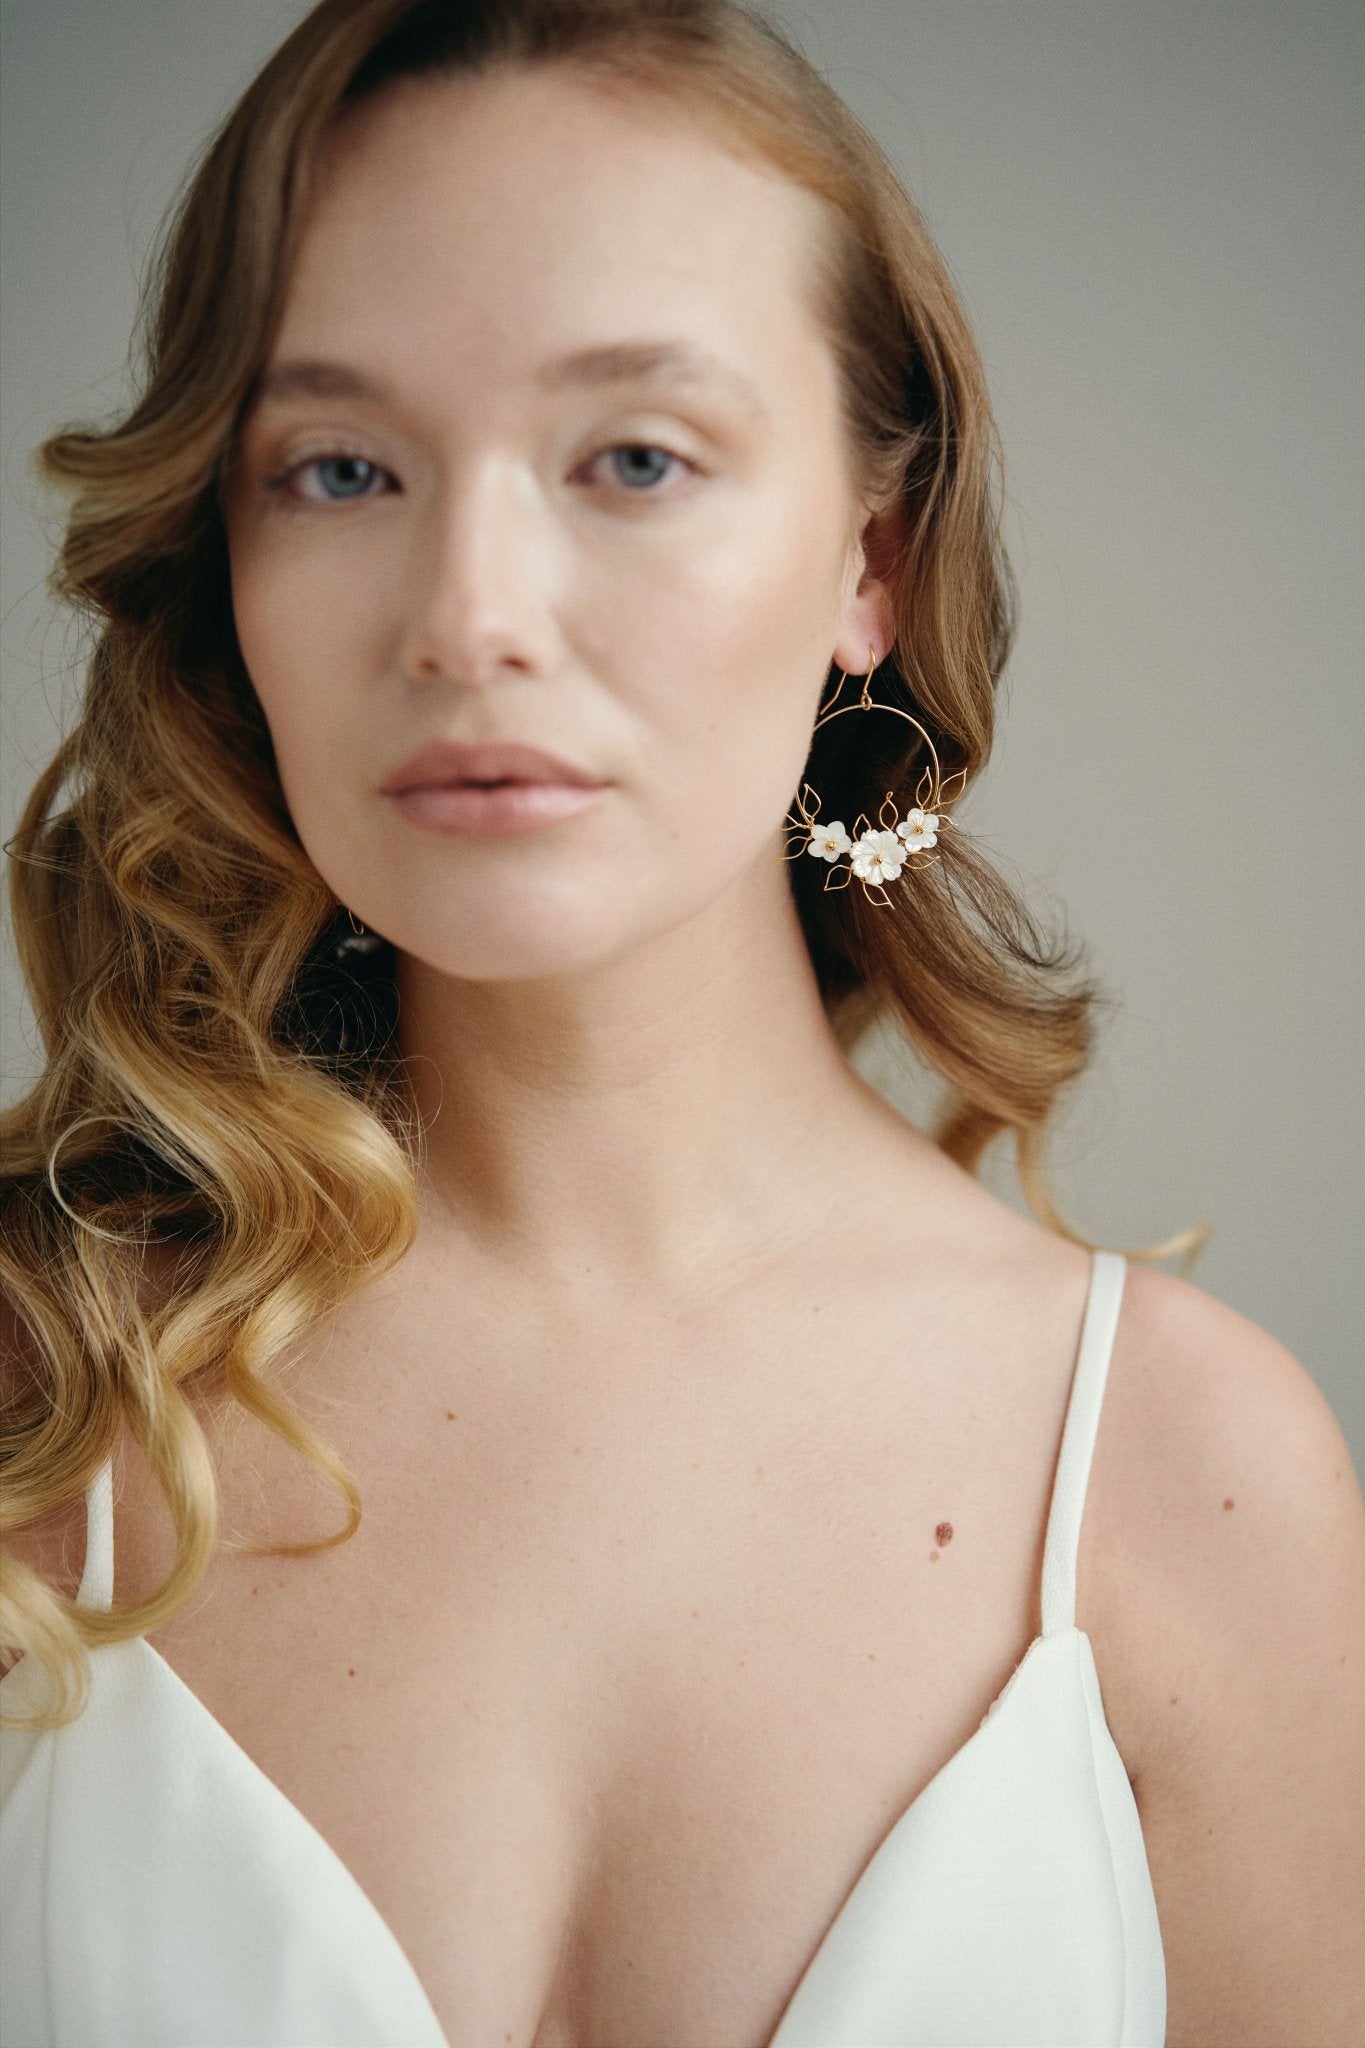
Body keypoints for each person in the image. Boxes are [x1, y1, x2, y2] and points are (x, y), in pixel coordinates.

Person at [1, 2, 1361, 2043]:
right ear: (228, 546)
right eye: (342, 465)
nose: (468, 608)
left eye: (633, 456)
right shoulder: (40, 1392)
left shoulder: (1185, 1479)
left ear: (867, 562)